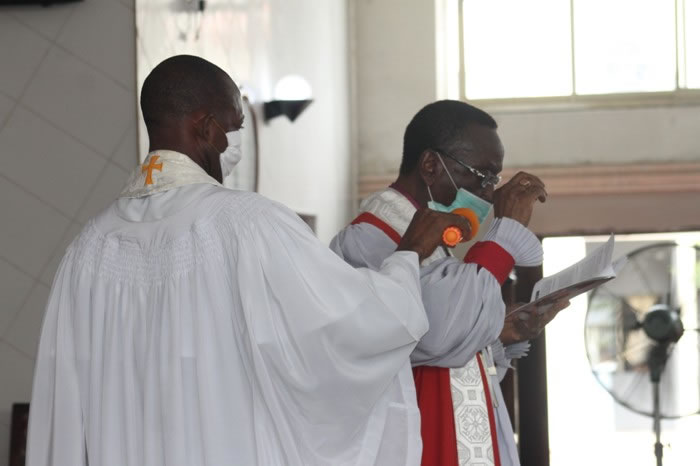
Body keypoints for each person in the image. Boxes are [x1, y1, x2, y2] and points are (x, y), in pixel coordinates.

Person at [25, 56, 473, 466]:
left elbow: (63, 406)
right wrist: (408, 254)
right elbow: (354, 328)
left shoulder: (89, 248)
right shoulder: (247, 224)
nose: (234, 140)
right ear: (206, 127)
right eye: (234, 125)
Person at [330, 100, 568, 466]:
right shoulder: (371, 238)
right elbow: (436, 334)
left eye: (493, 180)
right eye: (482, 175)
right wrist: (504, 235)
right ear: (430, 165)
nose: (488, 193)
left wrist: (500, 334)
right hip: (421, 442)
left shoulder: (428, 236)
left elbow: (444, 337)